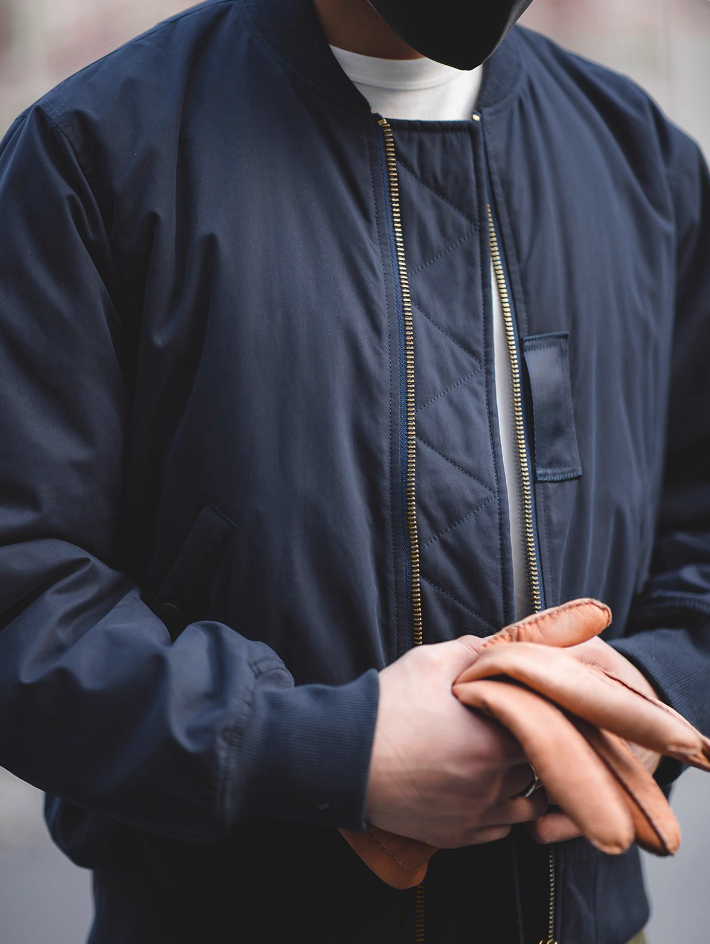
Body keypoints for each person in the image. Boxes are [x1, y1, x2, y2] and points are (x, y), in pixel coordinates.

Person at [0, 0, 707, 940]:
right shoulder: (94, 151)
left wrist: (647, 694)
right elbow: (26, 585)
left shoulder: (641, 159)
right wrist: (332, 753)